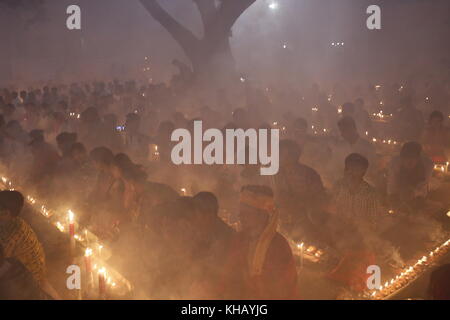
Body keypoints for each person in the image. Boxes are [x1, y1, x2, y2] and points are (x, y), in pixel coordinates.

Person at [221, 185, 298, 299]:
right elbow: (227, 276)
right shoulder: (239, 239)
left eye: (246, 213)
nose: (240, 216)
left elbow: (283, 289)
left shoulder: (278, 246)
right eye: (241, 212)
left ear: (261, 216)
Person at [0, 191, 59, 299]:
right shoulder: (10, 222)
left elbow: (2, 262)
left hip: (28, 281)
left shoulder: (16, 234)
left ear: (6, 213)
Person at [273, 139, 327, 237]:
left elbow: (320, 199)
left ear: (294, 155)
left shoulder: (309, 174)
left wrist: (298, 203)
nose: (278, 156)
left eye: (282, 153)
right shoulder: (274, 174)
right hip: (280, 222)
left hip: (306, 223)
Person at [387, 142, 434, 207]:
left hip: (418, 193)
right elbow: (392, 182)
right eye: (405, 159)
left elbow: (423, 185)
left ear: (418, 158)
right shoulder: (395, 163)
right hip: (400, 188)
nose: (408, 163)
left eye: (412, 160)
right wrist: (392, 196)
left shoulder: (428, 165)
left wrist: (414, 193)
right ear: (402, 158)